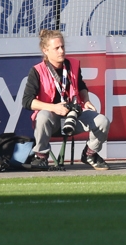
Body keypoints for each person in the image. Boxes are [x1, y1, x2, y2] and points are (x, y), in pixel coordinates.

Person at [21, 29, 110, 170]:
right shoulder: (37, 71)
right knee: (43, 115)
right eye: (56, 48)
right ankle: (41, 157)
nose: (61, 51)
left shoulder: (73, 65)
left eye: (62, 47)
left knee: (102, 121)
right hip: (52, 120)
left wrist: (86, 100)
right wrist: (54, 107)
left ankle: (90, 154)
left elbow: (81, 86)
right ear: (45, 50)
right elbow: (27, 101)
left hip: (74, 116)